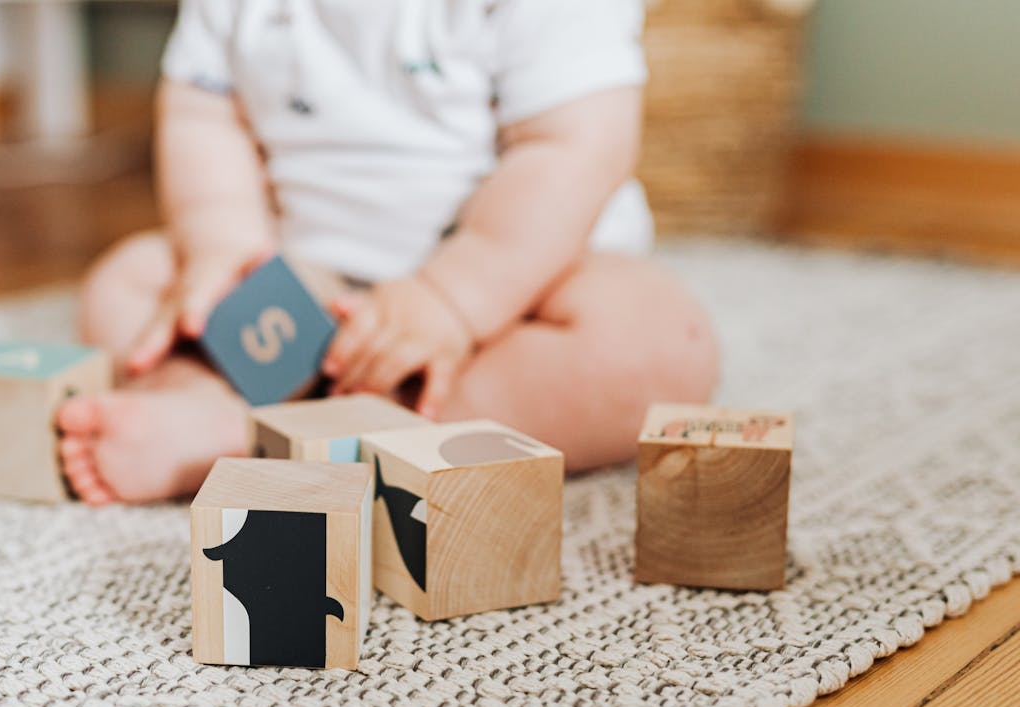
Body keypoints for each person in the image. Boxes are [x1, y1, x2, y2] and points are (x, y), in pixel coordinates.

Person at [57, 0, 719, 505]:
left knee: (660, 345)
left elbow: (575, 147)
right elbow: (203, 112)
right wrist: (222, 240)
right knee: (127, 284)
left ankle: (312, 433)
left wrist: (451, 299)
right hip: (307, 283)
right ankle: (218, 410)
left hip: (513, 291)